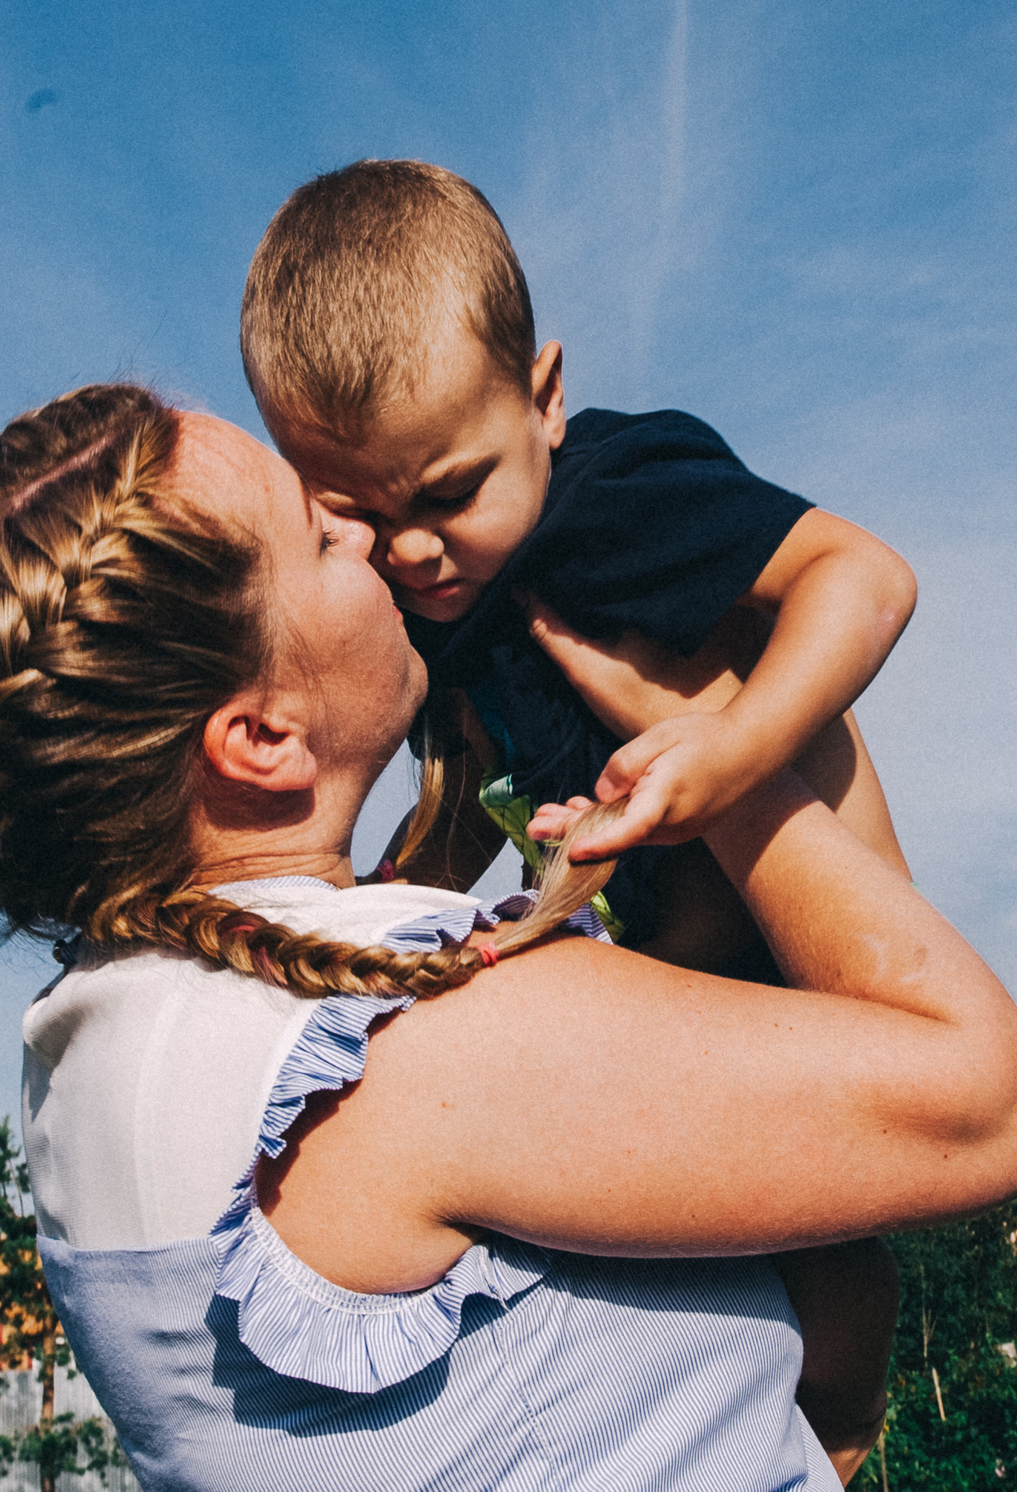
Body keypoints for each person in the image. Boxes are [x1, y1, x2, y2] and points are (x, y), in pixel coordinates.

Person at [0, 383, 1017, 1489]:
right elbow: (995, 1108)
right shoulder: (383, 1050)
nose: (373, 542)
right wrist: (714, 746)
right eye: (319, 535)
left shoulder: (105, 1058)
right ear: (263, 736)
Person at [238, 158, 918, 1447]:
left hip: (808, 944)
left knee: (834, 1274)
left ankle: (841, 1437)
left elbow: (865, 576)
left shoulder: (613, 491)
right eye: (359, 517)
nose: (417, 549)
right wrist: (374, 933)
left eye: (448, 492)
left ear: (542, 399)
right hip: (669, 949)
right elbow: (456, 795)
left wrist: (728, 744)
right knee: (707, 1259)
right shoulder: (431, 604)